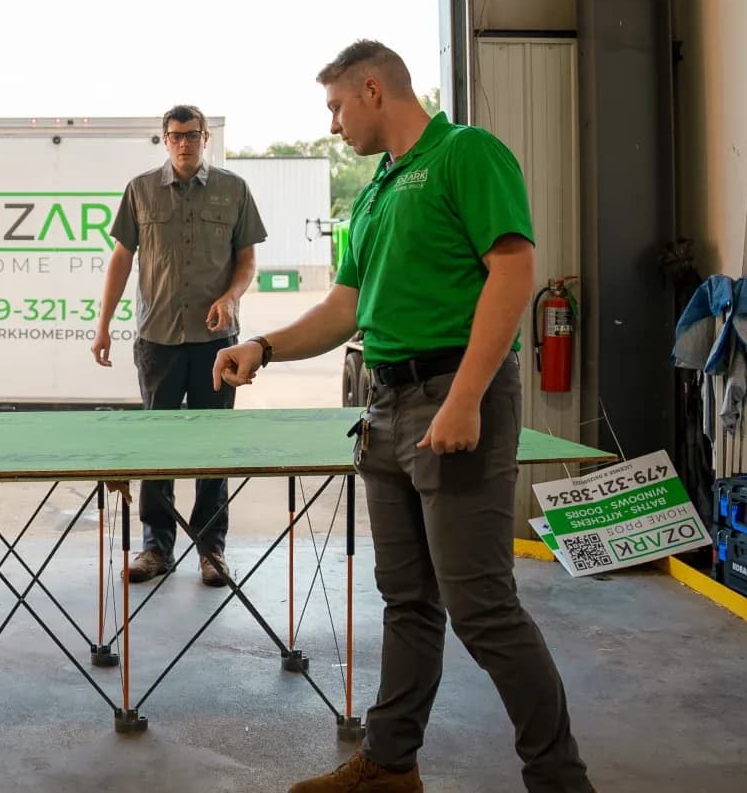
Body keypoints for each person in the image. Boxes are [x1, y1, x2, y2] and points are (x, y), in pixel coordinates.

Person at [213, 41, 594, 793]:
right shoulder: (376, 193)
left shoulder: (465, 154)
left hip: (452, 393)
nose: (332, 124)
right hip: (382, 406)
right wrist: (264, 345)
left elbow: (513, 272)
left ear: (374, 89)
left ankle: (561, 780)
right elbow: (345, 308)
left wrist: (464, 398)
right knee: (408, 602)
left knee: (481, 607)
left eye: (335, 106)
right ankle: (390, 766)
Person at [92, 104, 267, 587]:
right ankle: (156, 549)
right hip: (158, 340)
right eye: (175, 136)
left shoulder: (234, 190)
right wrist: (103, 324)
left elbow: (247, 259)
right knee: (160, 447)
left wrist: (231, 297)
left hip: (217, 344)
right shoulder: (141, 190)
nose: (184, 142)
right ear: (164, 140)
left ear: (205, 137)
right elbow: (121, 260)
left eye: (192, 134)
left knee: (212, 447)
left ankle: (211, 551)